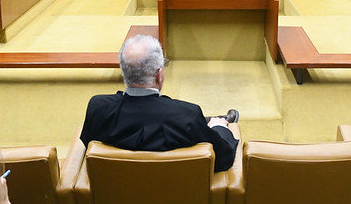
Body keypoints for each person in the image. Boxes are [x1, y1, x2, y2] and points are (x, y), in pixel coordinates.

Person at [80, 34, 239, 172]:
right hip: (177, 193)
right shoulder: (187, 115)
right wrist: (219, 127)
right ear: (159, 74)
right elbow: (223, 158)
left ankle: (205, 122)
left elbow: (89, 145)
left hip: (115, 192)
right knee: (212, 124)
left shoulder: (98, 108)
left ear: (124, 72)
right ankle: (213, 122)